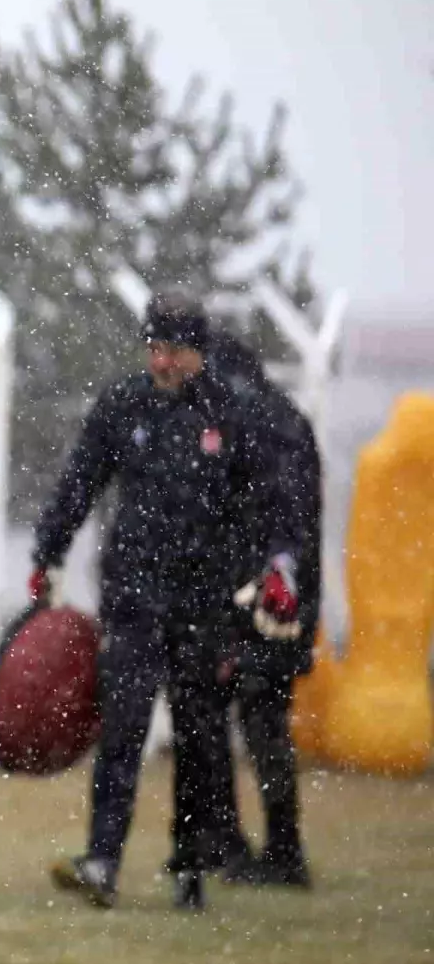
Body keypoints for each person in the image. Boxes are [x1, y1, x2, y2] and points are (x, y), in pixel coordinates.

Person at [31, 290, 303, 910]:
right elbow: (80, 482)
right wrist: (47, 553)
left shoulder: (231, 416)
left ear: (197, 352)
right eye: (153, 348)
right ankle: (102, 859)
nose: (161, 361)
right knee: (122, 728)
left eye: (173, 350)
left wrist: (279, 564)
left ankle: (190, 863)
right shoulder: (124, 405)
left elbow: (271, 501)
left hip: (204, 603)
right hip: (132, 596)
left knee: (199, 737)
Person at [200, 331, 321, 888]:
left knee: (253, 716)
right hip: (280, 597)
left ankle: (270, 851)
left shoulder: (254, 425)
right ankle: (262, 845)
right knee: (258, 718)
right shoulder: (286, 419)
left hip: (266, 599)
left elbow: (275, 521)